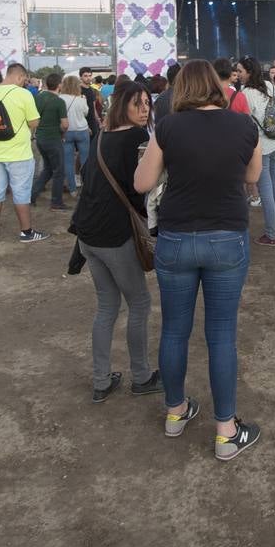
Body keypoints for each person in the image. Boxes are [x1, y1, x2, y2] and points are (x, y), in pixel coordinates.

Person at [133, 59, 264, 461]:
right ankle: (226, 432)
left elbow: (142, 182)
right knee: (221, 334)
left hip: (176, 237)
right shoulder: (244, 125)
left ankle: (175, 412)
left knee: (174, 329)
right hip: (226, 235)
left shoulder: (168, 127)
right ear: (216, 86)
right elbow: (252, 176)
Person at [72, 81, 160, 403]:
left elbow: (90, 180)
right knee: (139, 303)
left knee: (107, 305)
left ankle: (101, 380)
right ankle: (142, 376)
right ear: (123, 105)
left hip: (88, 236)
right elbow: (142, 188)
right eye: (138, 104)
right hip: (115, 237)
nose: (144, 109)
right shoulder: (137, 138)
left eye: (147, 103)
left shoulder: (102, 135)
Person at [0, 62, 47, 244]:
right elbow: (34, 122)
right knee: (21, 193)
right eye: (24, 80)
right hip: (19, 153)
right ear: (20, 76)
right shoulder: (24, 94)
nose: (24, 83)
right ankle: (26, 232)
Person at [237, 56, 275, 246]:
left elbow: (245, 122)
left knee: (265, 188)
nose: (238, 75)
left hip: (262, 146)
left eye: (240, 71)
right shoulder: (269, 85)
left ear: (249, 72)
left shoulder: (245, 93)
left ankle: (272, 234)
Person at [31, 72, 70, 212]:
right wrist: (63, 132)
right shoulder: (59, 102)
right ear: (59, 85)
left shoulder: (38, 97)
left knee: (48, 169)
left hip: (40, 138)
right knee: (59, 171)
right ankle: (56, 202)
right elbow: (65, 124)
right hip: (53, 138)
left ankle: (31, 195)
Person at [58, 74, 92, 195]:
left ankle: (72, 189)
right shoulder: (81, 98)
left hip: (66, 131)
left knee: (68, 161)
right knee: (85, 160)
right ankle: (87, 187)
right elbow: (86, 113)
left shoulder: (60, 98)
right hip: (82, 130)